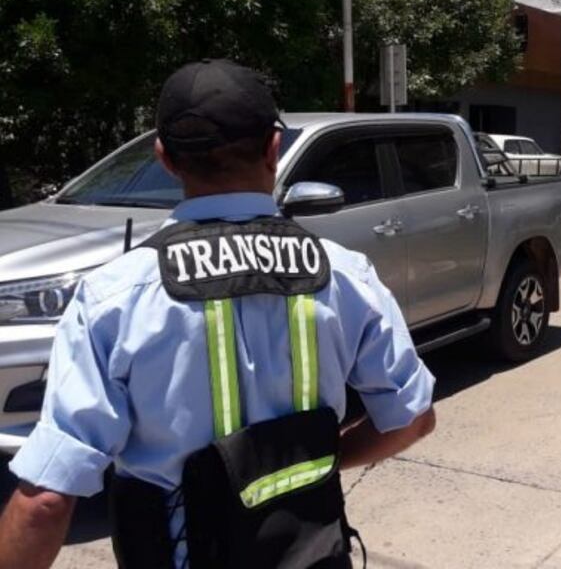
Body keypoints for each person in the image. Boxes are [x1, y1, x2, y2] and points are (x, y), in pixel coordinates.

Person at [0, 59, 436, 569]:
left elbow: (47, 502)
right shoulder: (346, 274)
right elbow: (412, 418)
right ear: (274, 149)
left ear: (164, 158)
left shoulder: (114, 296)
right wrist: (301, 464)